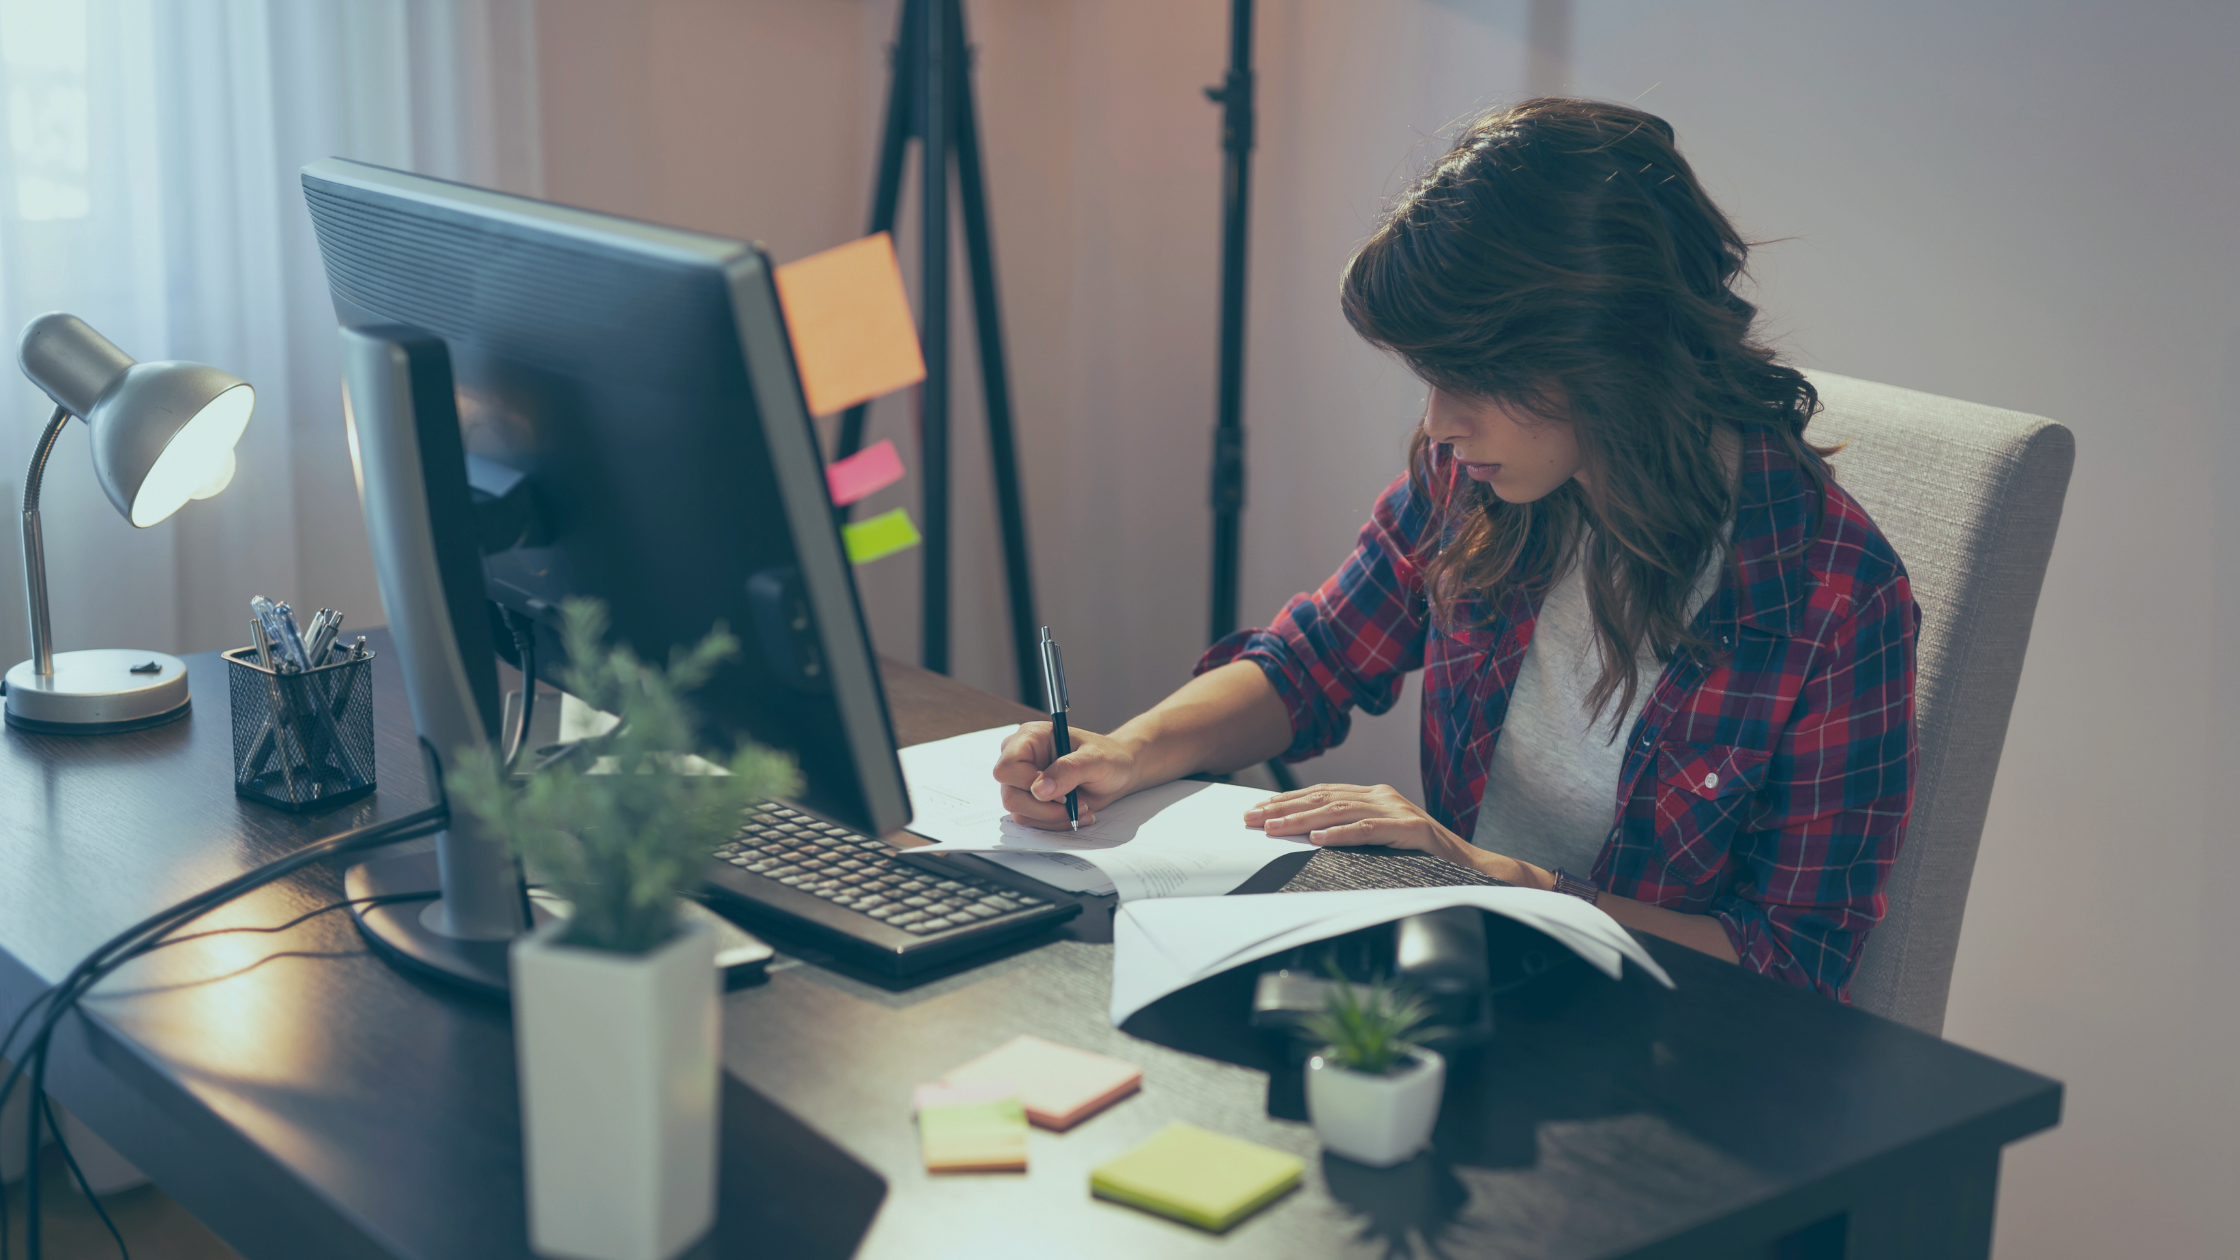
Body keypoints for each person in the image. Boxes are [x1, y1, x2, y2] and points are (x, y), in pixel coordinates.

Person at [994, 98, 1918, 1001]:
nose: (1438, 423)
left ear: (1609, 352)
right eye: (1432, 379)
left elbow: (1794, 962)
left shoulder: (1834, 596)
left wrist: (1492, 879)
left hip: (1659, 1046)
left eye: (1473, 378)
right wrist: (1126, 752)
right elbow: (1312, 662)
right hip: (1463, 981)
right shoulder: (1483, 483)